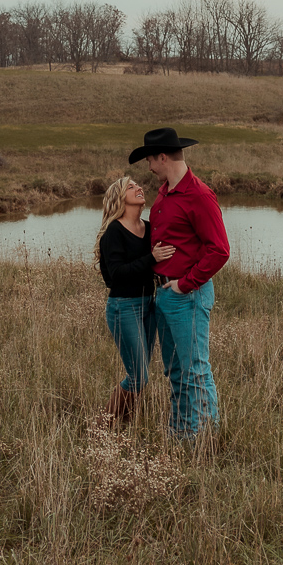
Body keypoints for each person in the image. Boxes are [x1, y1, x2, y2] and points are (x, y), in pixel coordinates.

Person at [130, 127, 229, 441]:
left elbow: (220, 250)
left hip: (187, 295)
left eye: (150, 160)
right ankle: (182, 431)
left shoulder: (199, 195)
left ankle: (206, 437)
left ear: (162, 157)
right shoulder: (164, 192)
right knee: (174, 370)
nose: (148, 167)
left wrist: (185, 285)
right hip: (164, 295)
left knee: (195, 369)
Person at [95, 175, 176, 427]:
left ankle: (124, 425)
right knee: (138, 377)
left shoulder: (149, 228)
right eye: (131, 187)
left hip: (148, 305)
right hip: (123, 307)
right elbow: (116, 276)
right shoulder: (114, 232)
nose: (138, 188)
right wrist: (151, 258)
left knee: (140, 376)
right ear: (120, 199)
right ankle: (100, 427)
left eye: (138, 185)